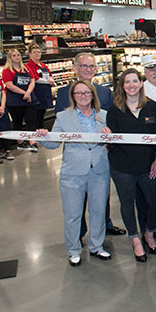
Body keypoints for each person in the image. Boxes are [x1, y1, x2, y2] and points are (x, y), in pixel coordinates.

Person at [37, 81, 111, 267]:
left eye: (86, 93)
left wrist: (109, 138)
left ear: (93, 95)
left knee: (98, 211)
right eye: (78, 93)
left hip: (99, 170)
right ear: (73, 96)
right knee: (72, 214)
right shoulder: (63, 117)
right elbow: (54, 143)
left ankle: (96, 246)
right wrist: (43, 136)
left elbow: (112, 143)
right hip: (73, 173)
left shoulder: (104, 116)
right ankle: (74, 250)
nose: (83, 96)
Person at [55, 52, 122, 236]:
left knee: (100, 196)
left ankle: (105, 224)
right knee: (76, 200)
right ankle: (80, 231)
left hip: (100, 153)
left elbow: (110, 119)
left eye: (91, 66)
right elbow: (61, 123)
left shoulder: (104, 92)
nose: (88, 70)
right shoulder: (63, 92)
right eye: (84, 66)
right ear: (75, 68)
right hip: (77, 156)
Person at [106, 69, 156, 262]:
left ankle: (149, 231)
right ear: (122, 86)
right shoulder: (115, 109)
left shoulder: (151, 107)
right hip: (122, 167)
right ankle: (135, 238)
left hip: (147, 165)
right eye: (127, 82)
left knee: (154, 202)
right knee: (127, 203)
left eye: (134, 81)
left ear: (141, 83)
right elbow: (111, 141)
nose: (131, 85)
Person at [2, 48, 37, 151]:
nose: (17, 57)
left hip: (29, 98)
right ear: (9, 58)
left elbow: (32, 81)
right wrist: (24, 93)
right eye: (14, 55)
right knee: (17, 122)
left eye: (18, 55)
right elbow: (9, 85)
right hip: (15, 100)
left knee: (31, 121)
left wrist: (28, 92)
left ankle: (32, 142)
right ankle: (20, 142)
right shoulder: (7, 70)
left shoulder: (26, 68)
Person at [25, 43, 55, 133]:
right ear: (30, 54)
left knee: (42, 115)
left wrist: (51, 80)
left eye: (38, 52)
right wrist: (47, 81)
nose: (37, 54)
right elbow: (34, 78)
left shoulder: (43, 65)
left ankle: (41, 131)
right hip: (36, 93)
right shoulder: (29, 66)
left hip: (45, 93)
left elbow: (49, 74)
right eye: (34, 52)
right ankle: (35, 134)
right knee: (35, 116)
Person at [0, 68, 14, 163]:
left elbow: (3, 93)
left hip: (1, 109)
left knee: (6, 129)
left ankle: (8, 150)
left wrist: (2, 106)